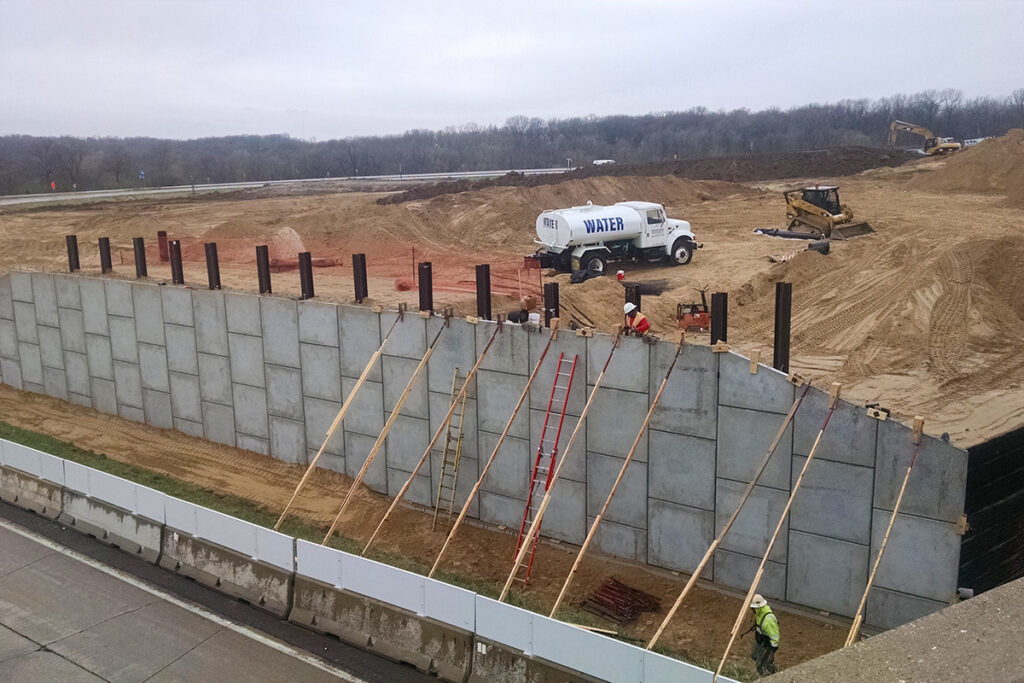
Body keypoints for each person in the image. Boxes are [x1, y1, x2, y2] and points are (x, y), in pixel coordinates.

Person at [749, 594, 779, 676]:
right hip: (761, 640)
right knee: (754, 656)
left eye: (753, 608)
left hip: (767, 644)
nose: (752, 609)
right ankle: (771, 669)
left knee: (760, 667)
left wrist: (772, 653)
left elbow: (775, 638)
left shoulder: (768, 620)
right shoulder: (759, 613)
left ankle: (767, 676)